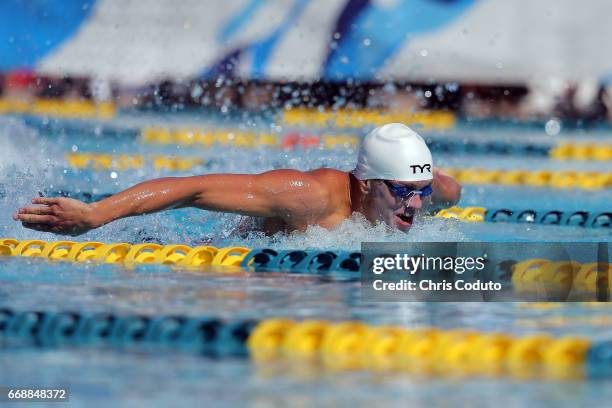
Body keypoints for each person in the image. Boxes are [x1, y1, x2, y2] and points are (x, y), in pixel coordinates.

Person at [13, 123, 461, 236]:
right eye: (403, 192)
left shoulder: (430, 194)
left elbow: (448, 190)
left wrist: (424, 184)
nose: (415, 206)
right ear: (367, 184)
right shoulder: (307, 197)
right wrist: (96, 213)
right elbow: (194, 188)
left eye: (420, 193)